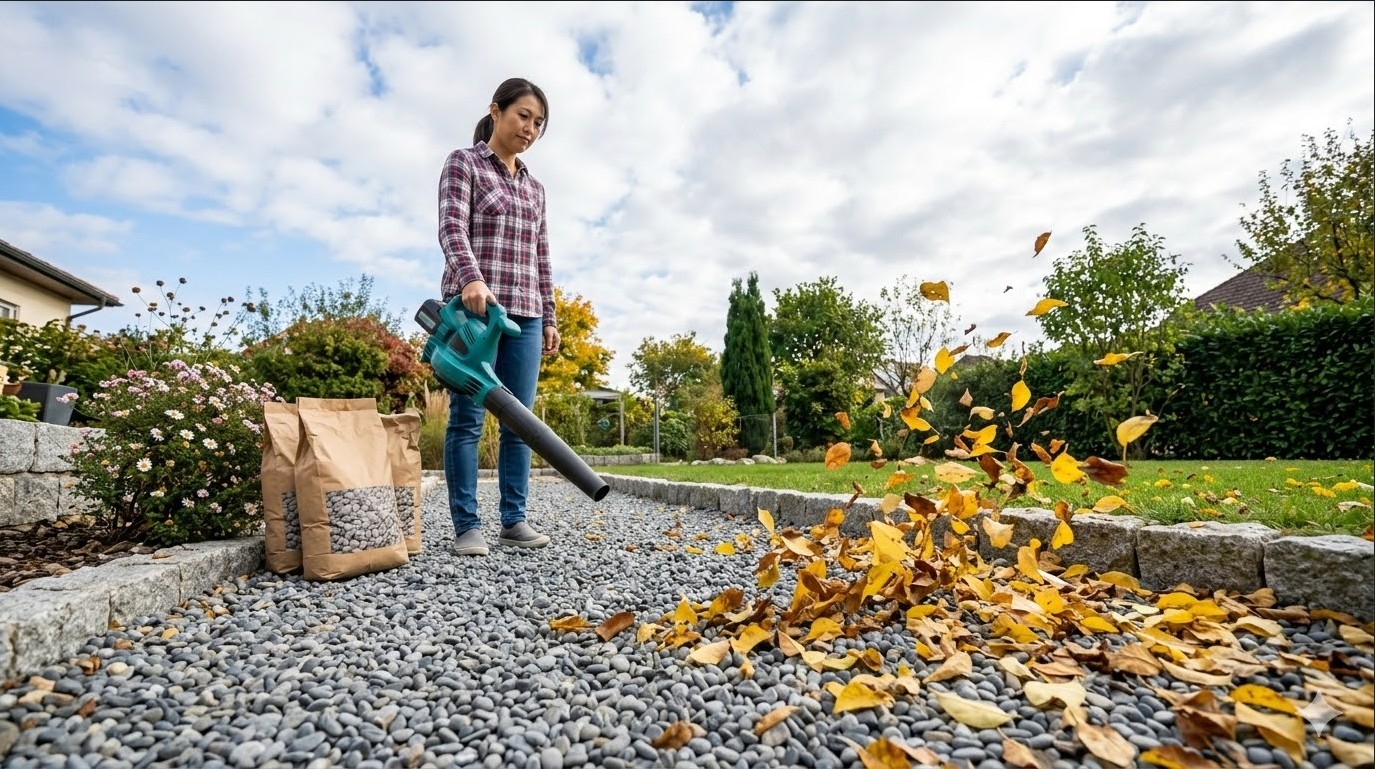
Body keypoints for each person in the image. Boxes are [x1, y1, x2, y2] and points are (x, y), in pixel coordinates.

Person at [438, 77, 561, 556]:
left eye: (538, 122)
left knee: (520, 422)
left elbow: (541, 255)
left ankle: (514, 520)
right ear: (496, 111)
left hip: (525, 315)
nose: (529, 128)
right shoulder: (463, 163)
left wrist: (549, 316)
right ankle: (467, 526)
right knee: (467, 418)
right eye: (522, 116)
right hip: (474, 312)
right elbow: (451, 227)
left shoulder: (536, 188)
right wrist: (470, 277)